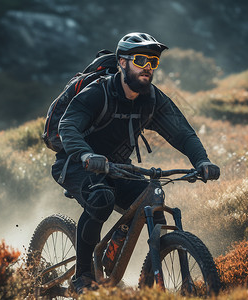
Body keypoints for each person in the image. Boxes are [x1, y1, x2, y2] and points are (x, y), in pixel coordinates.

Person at [51, 32, 220, 294]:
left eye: (153, 62)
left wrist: (202, 160)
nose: (148, 67)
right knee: (101, 199)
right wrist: (86, 155)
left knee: (152, 203)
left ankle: (127, 266)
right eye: (141, 59)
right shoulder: (99, 92)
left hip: (118, 167)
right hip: (76, 162)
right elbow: (68, 125)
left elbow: (183, 134)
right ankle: (83, 277)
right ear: (122, 62)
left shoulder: (151, 100)